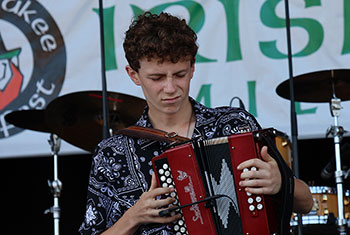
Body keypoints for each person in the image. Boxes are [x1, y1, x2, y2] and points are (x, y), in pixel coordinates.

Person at [79, 11, 313, 235]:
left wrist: (281, 182)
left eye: (179, 74)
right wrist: (134, 216)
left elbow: (307, 203)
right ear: (133, 75)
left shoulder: (235, 125)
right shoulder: (112, 153)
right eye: (157, 78)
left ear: (192, 68)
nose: (170, 88)